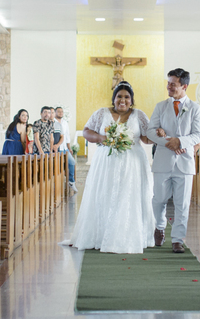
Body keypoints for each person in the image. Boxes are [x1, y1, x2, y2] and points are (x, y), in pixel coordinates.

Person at [63, 82, 153, 252]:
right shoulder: (102, 113)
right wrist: (101, 138)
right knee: (105, 193)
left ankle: (127, 236)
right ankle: (101, 234)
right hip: (106, 162)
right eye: (119, 96)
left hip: (133, 164)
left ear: (132, 100)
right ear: (114, 98)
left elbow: (146, 138)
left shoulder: (139, 115)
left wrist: (159, 135)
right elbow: (87, 131)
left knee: (128, 195)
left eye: (127, 97)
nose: (123, 100)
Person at [146, 69, 200, 253]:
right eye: (168, 83)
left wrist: (180, 142)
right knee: (159, 199)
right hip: (163, 160)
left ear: (184, 86)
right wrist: (168, 142)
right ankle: (159, 227)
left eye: (173, 84)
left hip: (185, 162)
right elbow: (150, 131)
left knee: (182, 203)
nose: (168, 87)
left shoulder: (195, 108)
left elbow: (198, 134)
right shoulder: (161, 106)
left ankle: (178, 239)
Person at [55, 105, 76, 192]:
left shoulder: (65, 123)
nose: (61, 113)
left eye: (62, 111)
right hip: (57, 148)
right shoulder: (53, 122)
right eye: (59, 111)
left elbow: (67, 136)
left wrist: (69, 147)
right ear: (55, 113)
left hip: (64, 148)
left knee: (72, 162)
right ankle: (57, 185)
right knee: (58, 167)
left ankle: (71, 181)